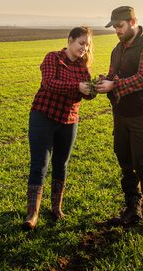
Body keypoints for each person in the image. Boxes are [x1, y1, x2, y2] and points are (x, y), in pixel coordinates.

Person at [95, 6, 143, 234]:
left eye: (120, 25)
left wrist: (114, 85)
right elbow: (115, 76)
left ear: (133, 21)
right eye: (114, 26)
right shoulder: (117, 50)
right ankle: (132, 209)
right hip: (122, 115)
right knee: (126, 163)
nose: (116, 30)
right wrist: (102, 82)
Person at [23, 26, 95, 230]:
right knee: (40, 164)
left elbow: (86, 95)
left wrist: (93, 89)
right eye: (81, 43)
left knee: (61, 164)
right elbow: (48, 84)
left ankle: (56, 208)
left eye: (87, 45)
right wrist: (76, 87)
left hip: (69, 120)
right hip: (43, 116)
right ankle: (32, 214)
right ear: (70, 40)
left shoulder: (83, 67)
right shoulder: (53, 58)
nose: (84, 48)